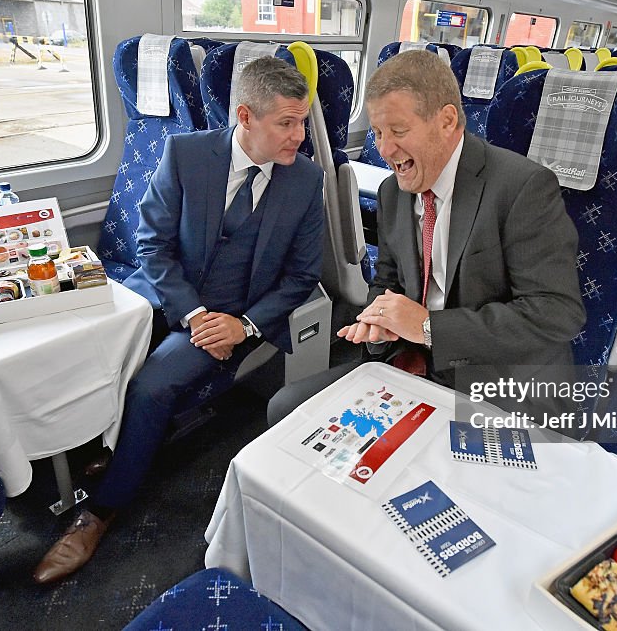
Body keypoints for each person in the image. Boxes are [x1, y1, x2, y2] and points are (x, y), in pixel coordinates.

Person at [34, 56, 324, 584]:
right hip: (169, 299)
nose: (299, 137)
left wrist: (245, 327)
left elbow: (301, 277)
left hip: (237, 317)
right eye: (287, 123)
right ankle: (113, 446)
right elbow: (153, 243)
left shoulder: (305, 180)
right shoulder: (186, 154)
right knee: (90, 352)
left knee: (148, 388)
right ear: (245, 116)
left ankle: (100, 510)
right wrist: (190, 312)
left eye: (303, 121)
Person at [266, 49, 584, 426]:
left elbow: (556, 314)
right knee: (285, 407)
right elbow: (387, 281)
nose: (384, 149)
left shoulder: (522, 188)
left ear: (447, 121)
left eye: (398, 131)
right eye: (378, 132)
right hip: (412, 361)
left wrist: (429, 327)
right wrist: (378, 320)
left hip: (495, 382)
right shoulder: (392, 192)